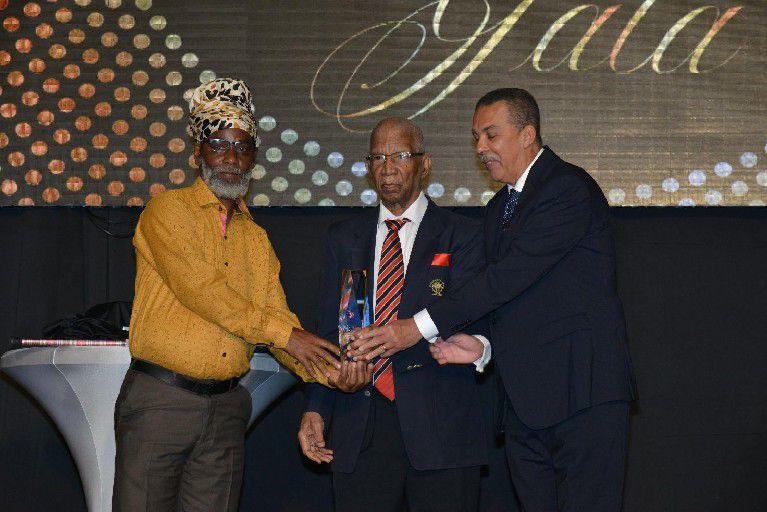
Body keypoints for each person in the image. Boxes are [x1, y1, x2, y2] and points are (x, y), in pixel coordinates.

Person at [350, 89, 637, 512]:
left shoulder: (566, 189)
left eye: (490, 135)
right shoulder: (501, 205)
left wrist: (415, 327)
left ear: (526, 135)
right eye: (475, 138)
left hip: (582, 394)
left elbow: (505, 280)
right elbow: (513, 300)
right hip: (525, 405)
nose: (480, 148)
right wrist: (483, 346)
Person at [113, 77, 342, 512]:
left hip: (226, 413)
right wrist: (286, 335)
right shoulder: (167, 210)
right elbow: (202, 291)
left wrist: (331, 374)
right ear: (197, 151)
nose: (232, 159)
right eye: (219, 145)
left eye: (243, 148)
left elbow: (280, 322)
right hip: (161, 404)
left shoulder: (256, 239)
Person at [298, 118, 492, 512]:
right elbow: (326, 333)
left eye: (400, 155)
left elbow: (480, 317)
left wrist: (418, 331)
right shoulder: (343, 238)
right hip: (360, 426)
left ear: (425, 163)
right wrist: (317, 406)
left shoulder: (464, 235)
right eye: (378, 157)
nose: (388, 167)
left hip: (441, 429)